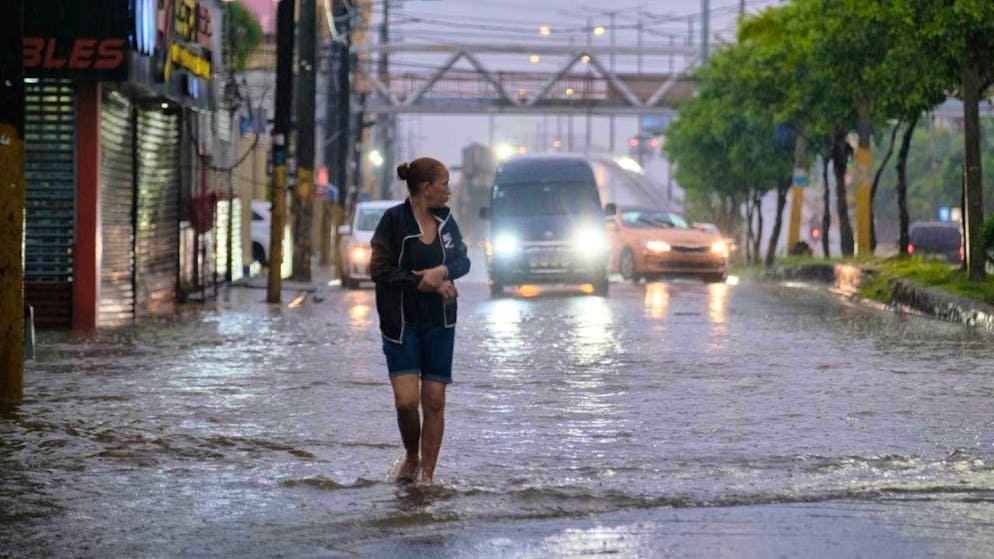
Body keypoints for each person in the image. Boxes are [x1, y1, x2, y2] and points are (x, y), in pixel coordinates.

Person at [369, 157, 471, 484]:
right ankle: (412, 456)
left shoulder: (446, 223)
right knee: (406, 402)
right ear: (427, 188)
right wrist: (422, 282)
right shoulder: (393, 221)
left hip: (439, 322)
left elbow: (463, 261)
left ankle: (427, 476)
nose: (449, 192)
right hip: (400, 324)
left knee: (435, 399)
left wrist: (442, 272)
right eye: (444, 185)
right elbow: (379, 269)